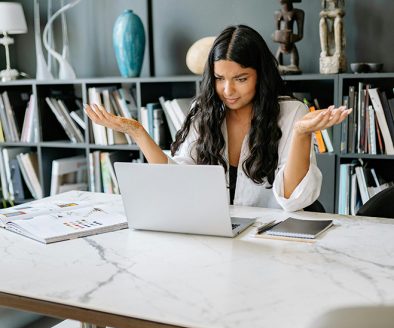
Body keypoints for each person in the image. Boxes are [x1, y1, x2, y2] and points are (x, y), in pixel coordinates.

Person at [85, 24, 350, 212]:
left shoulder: (292, 113)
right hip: (217, 237)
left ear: (261, 75)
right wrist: (137, 131)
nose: (228, 90)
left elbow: (294, 200)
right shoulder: (205, 111)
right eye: (220, 79)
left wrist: (302, 134)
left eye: (241, 79)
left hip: (270, 242)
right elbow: (177, 183)